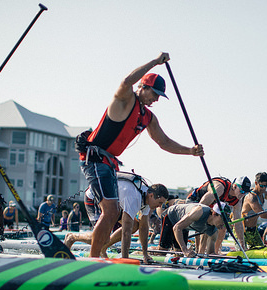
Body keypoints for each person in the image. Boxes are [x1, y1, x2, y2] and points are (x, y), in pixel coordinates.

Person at [75, 52, 204, 258]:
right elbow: (126, 80)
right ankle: (93, 260)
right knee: (110, 212)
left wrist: (190, 151)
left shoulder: (148, 117)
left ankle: (97, 255)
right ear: (142, 87)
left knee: (112, 213)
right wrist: (155, 62)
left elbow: (164, 142)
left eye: (158, 97)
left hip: (109, 164)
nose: (155, 99)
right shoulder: (125, 99)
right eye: (154, 94)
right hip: (95, 158)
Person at [101, 171, 169, 262]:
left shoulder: (147, 198)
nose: (160, 206)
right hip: (95, 197)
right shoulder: (135, 198)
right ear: (152, 195)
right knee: (99, 236)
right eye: (160, 203)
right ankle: (76, 238)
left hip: (112, 202)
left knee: (134, 226)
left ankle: (103, 248)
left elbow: (144, 228)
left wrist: (145, 254)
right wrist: (125, 259)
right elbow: (126, 231)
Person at [187, 176, 250, 252]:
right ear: (235, 186)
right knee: (206, 224)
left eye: (246, 193)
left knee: (222, 225)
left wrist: (242, 244)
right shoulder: (220, 188)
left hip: (209, 209)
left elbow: (238, 223)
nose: (243, 195)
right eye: (242, 191)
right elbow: (200, 207)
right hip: (195, 202)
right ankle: (198, 251)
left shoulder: (238, 200)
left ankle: (216, 252)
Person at [159, 202, 228, 257]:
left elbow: (210, 254)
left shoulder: (213, 231)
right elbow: (177, 227)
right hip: (171, 216)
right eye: (223, 219)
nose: (224, 223)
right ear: (214, 213)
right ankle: (151, 251)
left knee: (179, 254)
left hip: (184, 227)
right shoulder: (199, 212)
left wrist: (221, 257)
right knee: (163, 250)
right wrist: (185, 250)